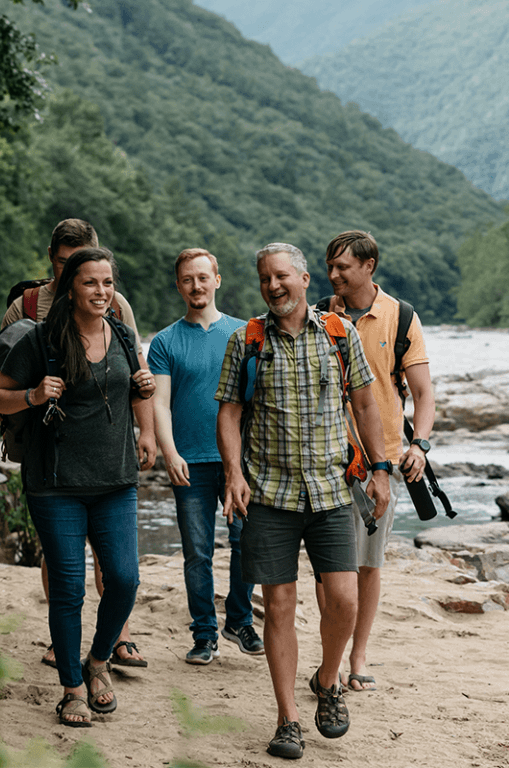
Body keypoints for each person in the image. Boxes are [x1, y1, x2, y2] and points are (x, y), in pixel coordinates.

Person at [216, 243, 390, 759]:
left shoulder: (339, 335)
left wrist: (379, 469)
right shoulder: (245, 341)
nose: (273, 285)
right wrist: (232, 473)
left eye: (282, 276)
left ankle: (328, 679)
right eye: (265, 277)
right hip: (269, 494)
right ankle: (288, 718)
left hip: (334, 490)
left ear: (306, 279)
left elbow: (364, 402)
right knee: (279, 607)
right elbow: (229, 413)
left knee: (344, 599)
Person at [0, 247, 155, 727]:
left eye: (107, 283)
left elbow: (135, 389)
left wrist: (146, 424)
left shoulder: (121, 332)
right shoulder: (41, 341)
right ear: (71, 288)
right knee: (68, 589)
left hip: (115, 479)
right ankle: (72, 688)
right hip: (55, 483)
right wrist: (32, 395)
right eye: (90, 283)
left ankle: (98, 661)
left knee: (124, 579)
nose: (101, 292)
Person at [318, 230, 434, 691]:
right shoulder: (320, 315)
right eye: (329, 267)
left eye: (342, 267)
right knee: (329, 570)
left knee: (368, 565)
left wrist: (419, 445)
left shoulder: (401, 317)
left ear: (369, 266)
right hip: (325, 460)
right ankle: (331, 655)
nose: (334, 275)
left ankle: (358, 654)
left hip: (379, 463)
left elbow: (423, 393)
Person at [148, 248, 263, 664]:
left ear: (217, 280)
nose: (196, 285)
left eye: (203, 277)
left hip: (240, 462)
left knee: (245, 544)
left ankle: (239, 619)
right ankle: (204, 633)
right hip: (190, 462)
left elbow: (257, 398)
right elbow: (159, 403)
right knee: (198, 551)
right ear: (178, 286)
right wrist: (170, 451)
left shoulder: (247, 333)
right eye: (187, 279)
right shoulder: (164, 342)